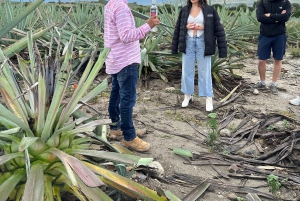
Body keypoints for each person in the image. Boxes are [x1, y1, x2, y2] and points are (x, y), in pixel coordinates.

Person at [104, 0, 159, 152]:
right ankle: (129, 137)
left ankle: (115, 128)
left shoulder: (111, 4)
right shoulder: (121, 7)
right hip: (126, 60)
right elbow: (126, 35)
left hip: (116, 59)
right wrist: (148, 25)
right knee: (127, 100)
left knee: (116, 96)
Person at [171, 0, 227, 112]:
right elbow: (178, 28)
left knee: (204, 71)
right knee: (186, 71)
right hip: (188, 42)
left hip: (203, 42)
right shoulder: (184, 10)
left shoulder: (210, 10)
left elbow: (219, 29)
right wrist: (186, 26)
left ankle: (208, 98)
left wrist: (204, 27)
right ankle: (187, 95)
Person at [254, 0, 291, 94]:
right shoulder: (263, 2)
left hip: (279, 35)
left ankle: (273, 84)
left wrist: (269, 15)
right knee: (261, 60)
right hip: (265, 35)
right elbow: (260, 17)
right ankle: (262, 83)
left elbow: (286, 17)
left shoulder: (285, 2)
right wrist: (277, 18)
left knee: (278, 59)